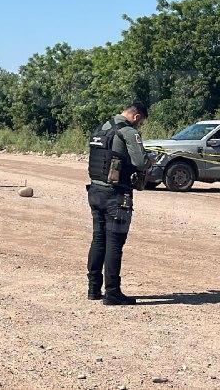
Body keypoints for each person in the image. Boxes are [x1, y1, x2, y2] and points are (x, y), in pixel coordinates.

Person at [86, 102, 154, 306]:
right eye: (140, 122)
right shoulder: (128, 132)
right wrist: (150, 159)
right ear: (136, 116)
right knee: (114, 243)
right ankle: (113, 293)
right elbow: (141, 162)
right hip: (116, 195)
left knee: (99, 239)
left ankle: (93, 289)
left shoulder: (101, 128)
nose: (139, 126)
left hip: (95, 191)